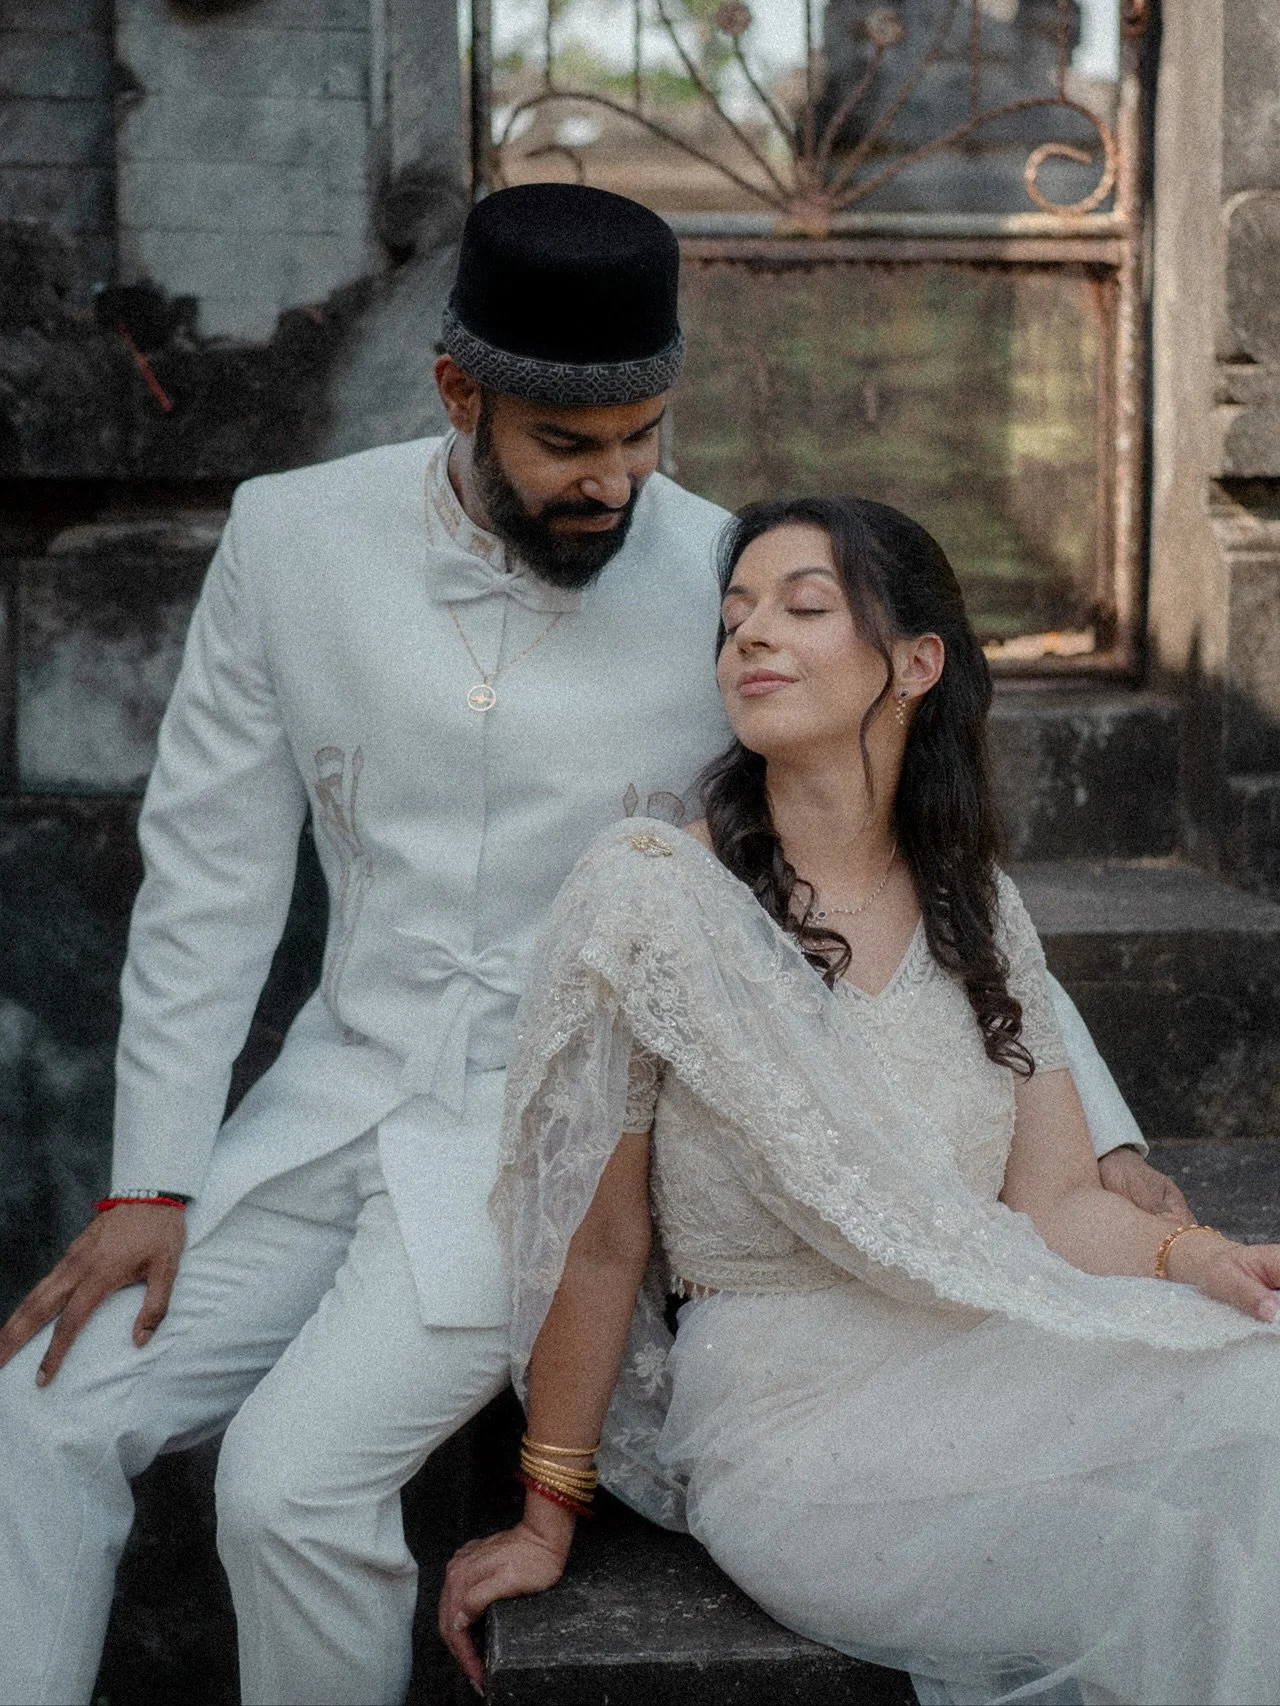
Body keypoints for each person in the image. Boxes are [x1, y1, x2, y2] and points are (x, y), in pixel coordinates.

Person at [0, 185, 1173, 1706]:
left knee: (284, 1492)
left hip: (539, 1148)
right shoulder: (287, 542)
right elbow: (206, 878)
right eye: (570, 446)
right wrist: (153, 1175)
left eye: (644, 436)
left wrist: (1106, 1133)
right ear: (458, 394)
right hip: (321, 1106)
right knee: (35, 1415)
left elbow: (912, 850)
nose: (615, 481)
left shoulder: (722, 588)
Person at [440, 496, 1280, 1706]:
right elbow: (603, 1239)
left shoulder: (976, 908)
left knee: (1261, 1387)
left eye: (801, 607)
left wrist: (1204, 1261)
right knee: (1176, 1554)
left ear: (915, 662)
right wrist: (543, 1515)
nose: (749, 639)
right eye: (732, 619)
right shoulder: (653, 897)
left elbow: (1052, 1202)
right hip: (788, 1419)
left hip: (987, 1349)